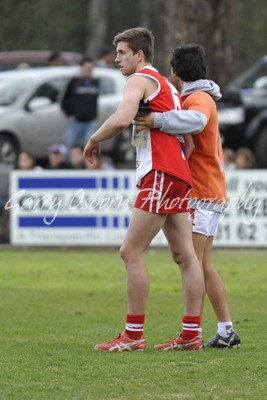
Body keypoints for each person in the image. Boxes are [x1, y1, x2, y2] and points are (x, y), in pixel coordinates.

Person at [84, 27, 204, 352]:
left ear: (139, 54)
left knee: (130, 251)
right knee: (185, 255)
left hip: (162, 173)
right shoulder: (168, 85)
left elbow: (122, 118)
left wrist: (94, 139)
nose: (117, 59)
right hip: (178, 172)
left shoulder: (139, 80)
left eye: (122, 53)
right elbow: (189, 140)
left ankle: (133, 336)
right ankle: (191, 334)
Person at [134, 45, 241, 348]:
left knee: (191, 262)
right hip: (209, 189)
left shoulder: (198, 99)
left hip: (202, 190)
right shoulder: (196, 97)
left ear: (175, 73)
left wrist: (156, 121)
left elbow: (197, 122)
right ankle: (225, 330)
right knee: (201, 263)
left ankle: (191, 333)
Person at [61, 57, 100, 154]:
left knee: (90, 147)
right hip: (76, 122)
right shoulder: (74, 82)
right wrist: (69, 114)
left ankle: (89, 166)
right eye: (87, 68)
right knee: (70, 147)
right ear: (81, 68)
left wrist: (94, 115)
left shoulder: (95, 82)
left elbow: (95, 101)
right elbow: (63, 100)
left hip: (90, 121)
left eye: (91, 69)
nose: (89, 71)